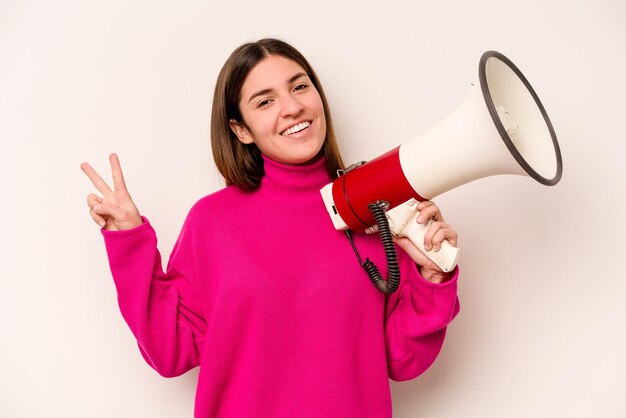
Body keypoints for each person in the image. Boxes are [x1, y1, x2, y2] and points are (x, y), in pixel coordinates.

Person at [80, 38, 460, 417]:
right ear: (240, 129)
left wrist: (432, 278)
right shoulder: (212, 221)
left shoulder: (372, 212)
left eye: (299, 86)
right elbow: (170, 351)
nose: (293, 107)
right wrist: (128, 240)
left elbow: (402, 360)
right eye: (265, 101)